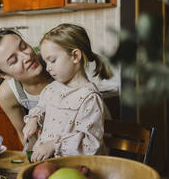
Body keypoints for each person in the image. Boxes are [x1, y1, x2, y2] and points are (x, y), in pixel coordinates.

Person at [22, 23, 113, 162]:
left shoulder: (89, 98)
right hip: (48, 164)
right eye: (46, 62)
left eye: (52, 60)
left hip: (76, 167)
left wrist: (54, 145)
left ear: (75, 56)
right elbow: (41, 108)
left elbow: (89, 144)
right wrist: (34, 119)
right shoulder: (52, 89)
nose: (48, 68)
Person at [0, 29, 52, 144]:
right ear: (4, 75)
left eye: (23, 47)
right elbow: (27, 136)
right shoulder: (7, 93)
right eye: (14, 60)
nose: (27, 57)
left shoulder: (56, 62)